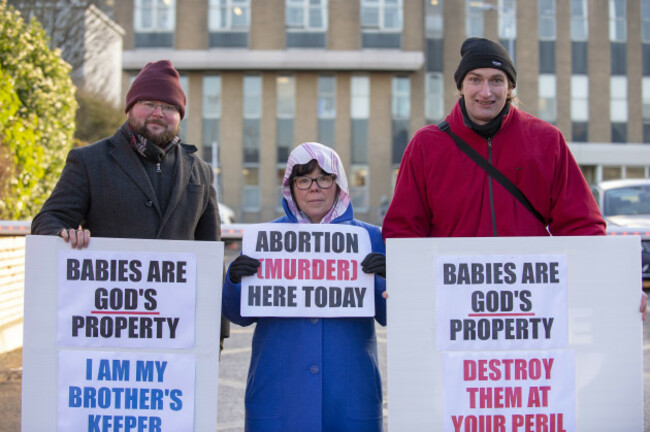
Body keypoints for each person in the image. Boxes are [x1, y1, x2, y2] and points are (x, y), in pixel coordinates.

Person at [382, 37, 647, 317]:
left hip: (531, 306)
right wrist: (405, 278)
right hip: (453, 305)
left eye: (497, 80)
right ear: (460, 85)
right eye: (475, 79)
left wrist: (618, 284)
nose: (486, 92)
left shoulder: (545, 140)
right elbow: (404, 229)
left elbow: (581, 227)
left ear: (510, 87)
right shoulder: (427, 145)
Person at [31, 59, 230, 344]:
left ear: (180, 115)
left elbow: (211, 254)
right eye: (149, 103)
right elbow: (48, 220)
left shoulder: (200, 170)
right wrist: (62, 234)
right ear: (130, 108)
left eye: (170, 107)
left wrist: (217, 334)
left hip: (177, 327)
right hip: (108, 324)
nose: (159, 113)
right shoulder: (89, 161)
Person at [222, 142, 387, 432]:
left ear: (339, 185)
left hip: (349, 395)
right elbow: (240, 316)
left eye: (324, 178)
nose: (314, 188)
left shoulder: (370, 239)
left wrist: (388, 279)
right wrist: (234, 281)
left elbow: (391, 315)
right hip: (279, 394)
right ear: (291, 187)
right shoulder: (265, 240)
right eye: (304, 179)